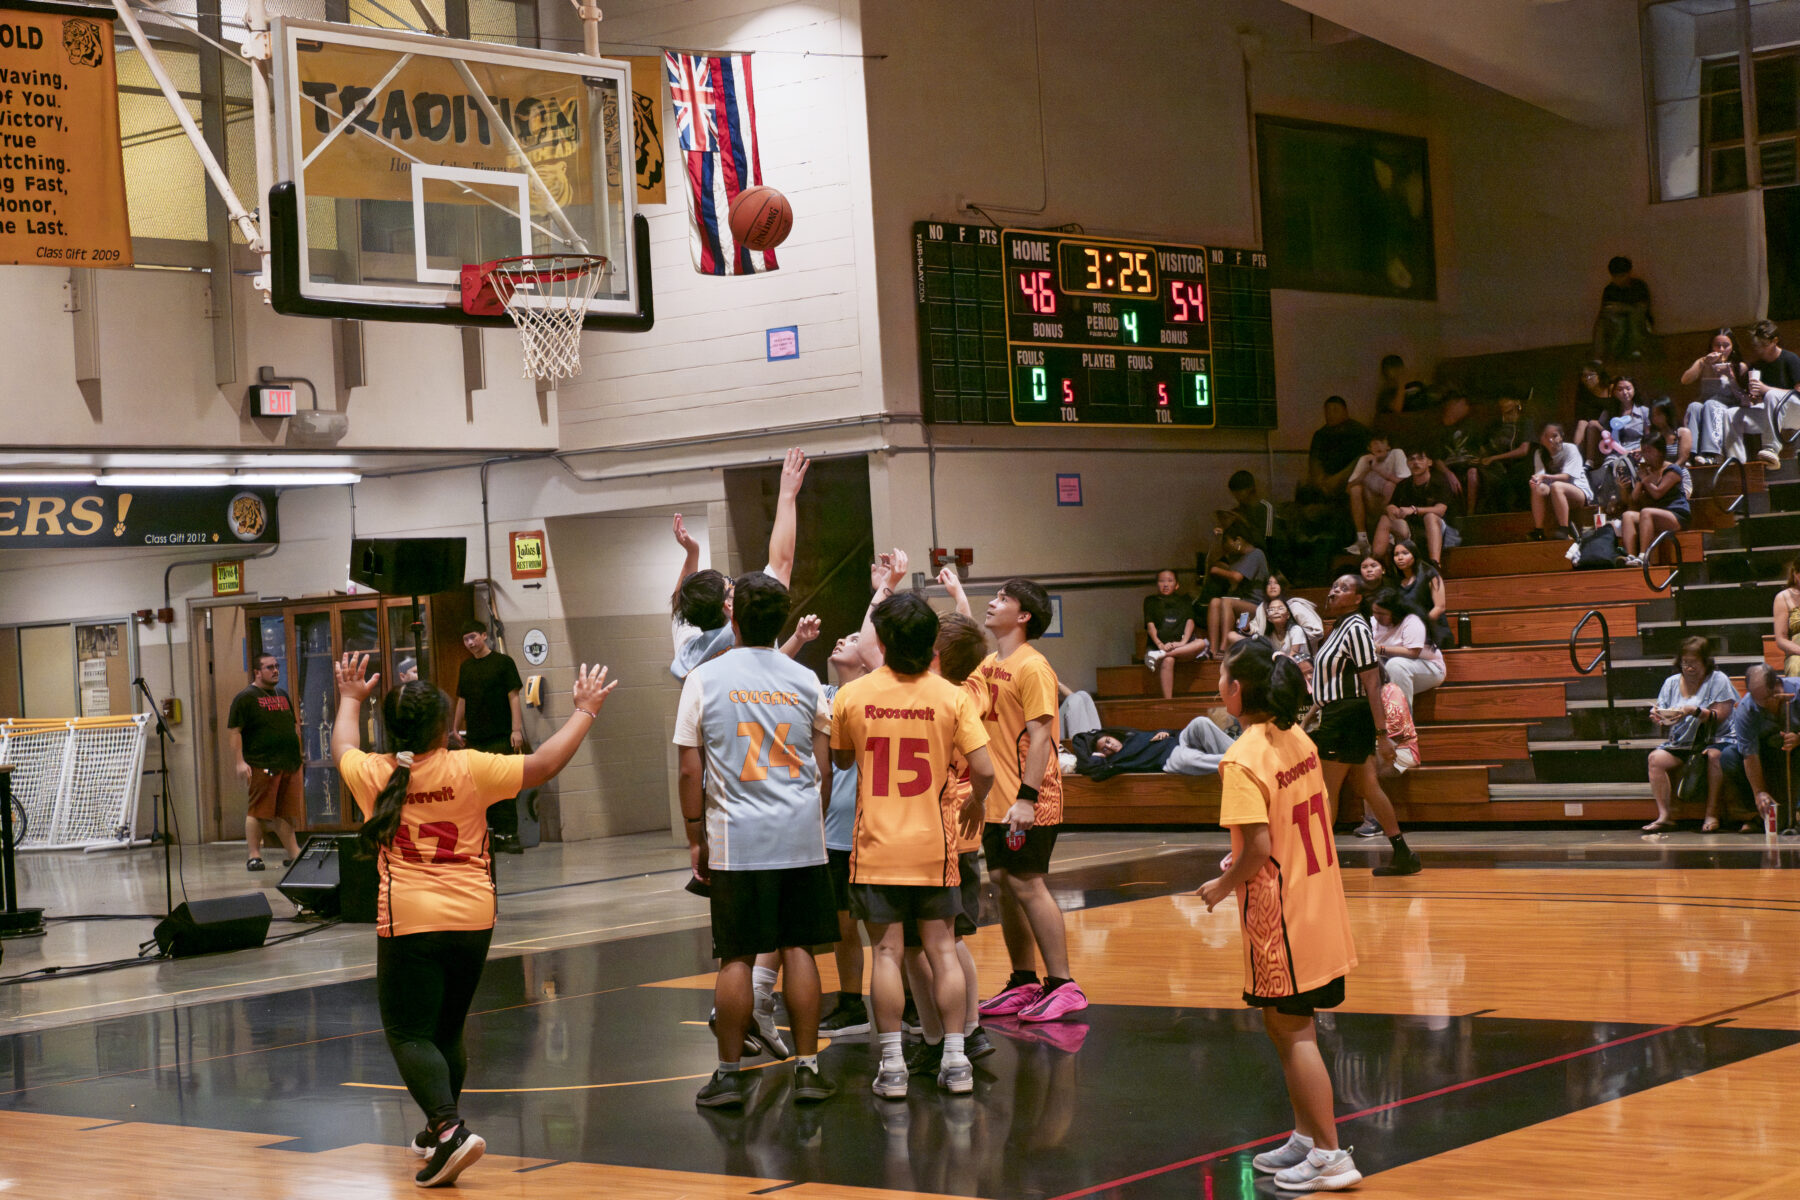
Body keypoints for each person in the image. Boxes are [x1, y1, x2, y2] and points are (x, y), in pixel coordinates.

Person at [329, 652, 617, 1188]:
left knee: (408, 1033)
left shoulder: (375, 773)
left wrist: (349, 698)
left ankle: (447, 1130)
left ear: (393, 729)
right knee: (446, 1030)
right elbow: (544, 764)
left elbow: (341, 745)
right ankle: (439, 1129)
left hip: (410, 917)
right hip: (473, 914)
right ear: (445, 727)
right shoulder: (471, 767)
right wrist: (584, 711)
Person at [1197, 639, 1362, 1193]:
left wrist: (1221, 884)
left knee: (1294, 1032)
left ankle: (1333, 1155)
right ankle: (1307, 1136)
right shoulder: (1299, 739)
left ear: (1236, 690)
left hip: (1284, 915)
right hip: (1319, 902)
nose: (1218, 685)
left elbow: (1260, 848)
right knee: (1286, 1025)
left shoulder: (1243, 757)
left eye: (1221, 677)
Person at [675, 571, 839, 1109]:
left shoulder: (704, 678)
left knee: (737, 956)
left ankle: (727, 1075)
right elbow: (823, 764)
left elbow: (687, 766)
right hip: (798, 836)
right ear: (783, 621)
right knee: (799, 949)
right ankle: (809, 1068)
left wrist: (695, 836)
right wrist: (809, 815)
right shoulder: (805, 679)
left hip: (735, 839)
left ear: (733, 618)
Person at [832, 592, 993, 1099]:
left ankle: (894, 1069)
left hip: (876, 847)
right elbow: (984, 770)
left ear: (880, 640)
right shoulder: (952, 697)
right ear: (931, 645)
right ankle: (957, 1061)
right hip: (933, 846)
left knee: (886, 953)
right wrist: (976, 802)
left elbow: (839, 762)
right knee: (943, 949)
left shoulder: (853, 695)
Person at [974, 578, 1087, 1022]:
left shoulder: (1033, 666)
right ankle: (1023, 981)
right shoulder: (988, 663)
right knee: (1003, 882)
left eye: (1002, 599)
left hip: (1030, 797)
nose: (992, 602)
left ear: (1023, 617)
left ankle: (1064, 984)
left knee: (1026, 882)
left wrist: (1027, 797)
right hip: (996, 799)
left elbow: (1041, 735)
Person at [1312, 575, 1422, 876]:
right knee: (1368, 787)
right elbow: (1326, 687)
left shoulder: (1356, 628)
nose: (1334, 590)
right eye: (1333, 585)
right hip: (1340, 713)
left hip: (1347, 715)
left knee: (1326, 789)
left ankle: (1318, 864)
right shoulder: (1337, 628)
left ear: (1359, 598)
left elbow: (1372, 682)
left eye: (1344, 588)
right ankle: (1403, 854)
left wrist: (1382, 733)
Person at [669, 447, 808, 680]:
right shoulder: (752, 628)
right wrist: (787, 495)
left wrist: (692, 553)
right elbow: (782, 562)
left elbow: (678, 606)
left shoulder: (688, 655)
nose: (735, 586)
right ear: (729, 606)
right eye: (730, 586)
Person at [818, 626, 871, 1039]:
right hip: (832, 830)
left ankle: (908, 1003)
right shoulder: (820, 694)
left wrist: (885, 587)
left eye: (853, 639)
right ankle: (852, 1004)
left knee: (885, 926)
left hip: (870, 830)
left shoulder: (874, 693)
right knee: (842, 925)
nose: (841, 640)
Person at [1643, 635, 1737, 832]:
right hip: (1681, 742)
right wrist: (1658, 716)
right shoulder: (1671, 683)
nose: (1689, 668)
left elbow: (1720, 715)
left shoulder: (1718, 680)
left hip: (1715, 739)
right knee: (1655, 759)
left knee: (1715, 755)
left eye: (1694, 663)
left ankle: (1711, 814)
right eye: (1685, 663)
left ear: (1705, 662)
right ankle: (1665, 815)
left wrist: (1693, 710)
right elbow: (1662, 711)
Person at [451, 620, 526, 855]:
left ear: (484, 635)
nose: (470, 643)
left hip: (501, 735)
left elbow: (514, 697)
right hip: (476, 737)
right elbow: (462, 699)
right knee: (480, 791)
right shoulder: (466, 668)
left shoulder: (504, 663)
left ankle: (510, 835)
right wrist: (455, 728)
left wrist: (516, 730)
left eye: (473, 637)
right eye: (466, 639)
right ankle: (489, 836)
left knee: (504, 786)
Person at [229, 652, 303, 873]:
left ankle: (294, 854)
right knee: (258, 810)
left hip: (288, 762)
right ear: (257, 672)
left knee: (285, 812)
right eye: (269, 667)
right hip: (263, 762)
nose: (275, 670)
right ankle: (254, 855)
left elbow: (293, 725)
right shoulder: (245, 698)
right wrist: (240, 761)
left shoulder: (282, 694)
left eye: (277, 666)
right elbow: (235, 732)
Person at [1715, 664, 1800, 833]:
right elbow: (1750, 755)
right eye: (1757, 699)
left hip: (1797, 752)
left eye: (1768, 698)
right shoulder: (1746, 708)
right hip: (1769, 757)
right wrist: (1759, 792)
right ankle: (1764, 812)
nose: (1763, 704)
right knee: (1729, 756)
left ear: (1777, 685)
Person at [1373, 447, 1457, 565]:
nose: (1416, 462)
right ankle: (1375, 561)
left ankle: (1435, 564)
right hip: (1411, 528)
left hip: (1440, 528)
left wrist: (1413, 510)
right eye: (1411, 459)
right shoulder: (1404, 485)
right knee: (1385, 519)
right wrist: (1391, 508)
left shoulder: (1440, 481)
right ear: (1407, 463)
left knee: (1430, 516)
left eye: (1420, 458)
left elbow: (1441, 510)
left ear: (1430, 462)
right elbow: (1391, 504)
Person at [1679, 329, 1746, 468]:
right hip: (1707, 403)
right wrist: (1703, 362)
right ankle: (1690, 454)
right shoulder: (1704, 362)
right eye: (1717, 345)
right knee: (1694, 406)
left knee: (1711, 404)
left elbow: (1743, 395)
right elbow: (1685, 380)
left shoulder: (1739, 366)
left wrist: (1730, 376)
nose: (1721, 349)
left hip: (1729, 404)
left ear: (1733, 347)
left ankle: (1714, 454)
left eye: (1725, 345)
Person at [1368, 588, 1445, 708]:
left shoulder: (1412, 620)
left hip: (1428, 668)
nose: (1377, 617)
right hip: (1389, 669)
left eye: (1382, 614)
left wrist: (1380, 648)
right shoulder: (1372, 622)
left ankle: (1402, 722)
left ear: (1395, 612)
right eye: (1374, 612)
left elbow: (1413, 652)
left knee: (1396, 665)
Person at [1620, 438, 1691, 564]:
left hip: (1676, 515)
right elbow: (1634, 499)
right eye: (1643, 451)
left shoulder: (1673, 470)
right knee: (1627, 516)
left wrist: (1645, 480)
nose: (1645, 455)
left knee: (1646, 512)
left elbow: (1657, 493)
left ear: (1659, 452)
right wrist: (1638, 481)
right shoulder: (1645, 471)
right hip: (1653, 515)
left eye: (1649, 451)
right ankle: (1630, 556)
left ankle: (1643, 556)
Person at [1201, 526, 1271, 655]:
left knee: (1227, 602)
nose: (1226, 547)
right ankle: (1212, 651)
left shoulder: (1256, 554)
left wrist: (1217, 571)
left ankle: (1225, 648)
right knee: (1215, 602)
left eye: (1227, 542)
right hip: (1242, 608)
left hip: (1257, 607)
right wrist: (1217, 539)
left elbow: (1236, 577)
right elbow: (1211, 562)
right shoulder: (1238, 558)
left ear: (1238, 540)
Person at [1142, 568, 1207, 700]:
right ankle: (1168, 701)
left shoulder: (1184, 601)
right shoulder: (1150, 601)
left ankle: (1159, 656)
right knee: (1169, 660)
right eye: (1161, 581)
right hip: (1158, 647)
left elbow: (1190, 621)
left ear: (1177, 585)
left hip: (1180, 648)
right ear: (1157, 584)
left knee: (1201, 643)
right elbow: (1150, 625)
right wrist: (1160, 644)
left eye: (1170, 581)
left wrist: (1182, 643)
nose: (1165, 584)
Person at [1744, 319, 1800, 467]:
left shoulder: (1790, 359)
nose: (1759, 349)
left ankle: (1771, 449)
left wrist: (1766, 390)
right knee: (1731, 415)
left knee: (1772, 395)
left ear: (1775, 341)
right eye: (1756, 345)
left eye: (1763, 345)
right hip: (1774, 416)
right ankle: (1737, 459)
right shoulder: (1757, 366)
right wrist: (1753, 398)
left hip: (1796, 412)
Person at [1345, 431, 1407, 556]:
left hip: (1393, 504)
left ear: (1388, 446)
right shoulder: (1365, 460)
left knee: (1390, 485)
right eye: (1374, 444)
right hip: (1371, 504)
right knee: (1355, 489)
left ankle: (1390, 534)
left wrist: (1377, 469)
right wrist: (1366, 470)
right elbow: (1348, 488)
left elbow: (1403, 481)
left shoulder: (1396, 453)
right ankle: (1362, 539)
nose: (1378, 446)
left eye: (1382, 442)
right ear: (1369, 448)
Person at [1527, 422, 1593, 541]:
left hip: (1578, 491)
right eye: (1547, 436)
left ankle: (1564, 529)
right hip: (1554, 494)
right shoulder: (1539, 453)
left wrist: (1545, 477)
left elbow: (1566, 477)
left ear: (1561, 436)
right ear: (1542, 439)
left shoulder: (1570, 449)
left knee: (1557, 486)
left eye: (1555, 435)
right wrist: (1535, 479)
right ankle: (1539, 530)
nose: (1552, 440)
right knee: (1536, 486)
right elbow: (1540, 475)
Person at [1470, 392, 1534, 513]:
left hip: (1519, 465)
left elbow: (1523, 450)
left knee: (1511, 479)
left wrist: (1494, 458)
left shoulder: (1526, 422)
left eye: (1508, 411)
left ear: (1517, 403)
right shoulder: (1497, 425)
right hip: (1498, 465)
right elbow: (1486, 446)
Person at [1304, 396, 1370, 500]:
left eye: (1335, 410)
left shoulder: (1359, 431)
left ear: (1345, 411)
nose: (1330, 414)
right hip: (1323, 481)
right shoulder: (1320, 434)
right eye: (1327, 411)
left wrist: (1336, 479)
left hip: (1347, 479)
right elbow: (1314, 460)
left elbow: (1362, 459)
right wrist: (1319, 479)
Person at [1592, 254, 1653, 361]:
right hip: (1617, 323)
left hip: (1639, 323)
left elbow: (1642, 309)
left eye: (1622, 276)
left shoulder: (1638, 286)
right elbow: (1606, 310)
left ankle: (1636, 350)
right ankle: (1599, 357)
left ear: (1629, 273)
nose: (1618, 280)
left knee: (1634, 316)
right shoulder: (1610, 289)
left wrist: (1623, 308)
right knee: (1604, 322)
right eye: (1615, 277)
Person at [1390, 539, 1449, 649]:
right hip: (1408, 635)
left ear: (1414, 555)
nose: (1400, 557)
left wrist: (1418, 628)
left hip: (1433, 632)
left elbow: (1439, 607)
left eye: (1405, 553)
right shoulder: (1396, 581)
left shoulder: (1429, 573)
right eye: (1396, 554)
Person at [1221, 469, 1277, 551]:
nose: (1236, 496)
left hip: (1264, 556)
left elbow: (1267, 542)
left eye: (1239, 492)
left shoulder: (1266, 508)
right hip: (1244, 555)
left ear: (1250, 489)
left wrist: (1244, 522)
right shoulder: (1239, 510)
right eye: (1234, 493)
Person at [1572, 360, 1614, 468]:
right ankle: (1575, 456)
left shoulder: (1611, 389)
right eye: (1584, 376)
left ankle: (1589, 460)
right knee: (1583, 423)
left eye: (1590, 375)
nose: (1586, 379)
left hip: (1612, 427)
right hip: (1595, 429)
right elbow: (1582, 418)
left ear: (1599, 375)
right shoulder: (1584, 395)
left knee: (1594, 422)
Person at [1645, 397, 1694, 471]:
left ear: (1667, 414)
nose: (1655, 418)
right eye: (1653, 415)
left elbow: (1682, 459)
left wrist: (1667, 472)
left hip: (1678, 473)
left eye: (1658, 414)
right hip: (1658, 475)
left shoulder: (1682, 433)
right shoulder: (1654, 436)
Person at [1374, 352, 1426, 418]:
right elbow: (1396, 411)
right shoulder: (1386, 395)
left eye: (1399, 371)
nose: (1398, 375)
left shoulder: (1416, 385)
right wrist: (1401, 384)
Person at [1773, 558, 1800, 678]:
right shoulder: (1783, 597)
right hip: (1797, 653)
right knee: (1796, 666)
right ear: (1796, 574)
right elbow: (1781, 639)